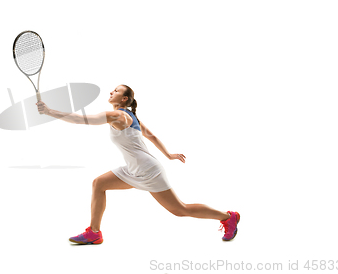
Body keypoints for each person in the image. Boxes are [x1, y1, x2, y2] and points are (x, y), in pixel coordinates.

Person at [36, 84, 240, 244]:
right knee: (99, 183)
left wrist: (49, 111)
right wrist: (168, 154)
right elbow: (151, 136)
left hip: (148, 171)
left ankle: (227, 216)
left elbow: (82, 120)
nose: (111, 92)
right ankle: (94, 233)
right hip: (134, 169)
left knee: (180, 209)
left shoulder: (118, 115)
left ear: (124, 98)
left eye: (115, 91)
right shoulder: (132, 116)